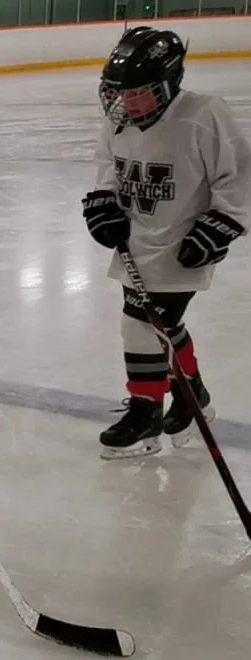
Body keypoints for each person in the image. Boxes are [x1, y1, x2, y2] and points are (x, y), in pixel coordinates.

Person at [81, 26, 251, 459]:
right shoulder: (119, 117)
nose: (129, 102)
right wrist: (104, 202)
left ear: (170, 82)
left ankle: (146, 412)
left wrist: (221, 224)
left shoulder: (203, 115)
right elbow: (108, 165)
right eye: (121, 92)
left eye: (140, 92)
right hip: (137, 240)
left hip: (183, 240)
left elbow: (238, 175)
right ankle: (194, 400)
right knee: (162, 326)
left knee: (139, 323)